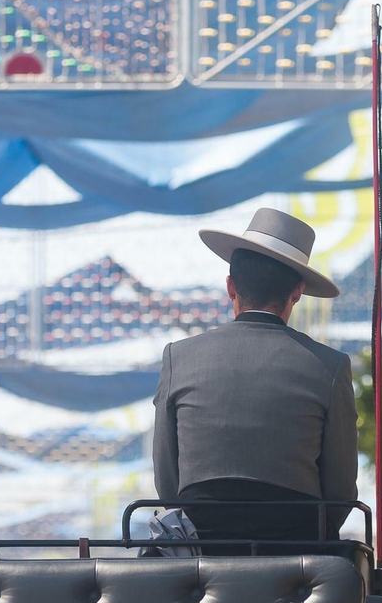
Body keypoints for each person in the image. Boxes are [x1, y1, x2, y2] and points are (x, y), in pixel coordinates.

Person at [152, 207, 357, 544]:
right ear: (297, 292)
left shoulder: (179, 357)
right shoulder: (329, 366)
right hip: (296, 554)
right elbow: (339, 491)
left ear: (231, 287)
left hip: (202, 555)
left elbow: (167, 478)